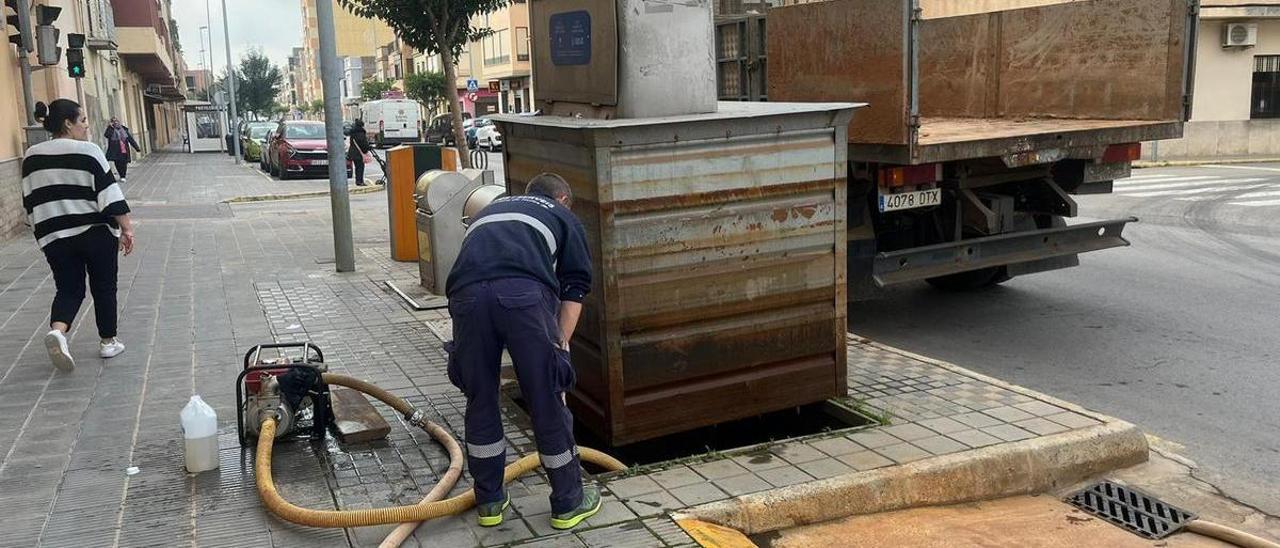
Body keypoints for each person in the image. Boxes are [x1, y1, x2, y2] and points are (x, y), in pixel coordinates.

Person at [444, 173, 599, 530]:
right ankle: (568, 503)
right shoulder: (563, 216)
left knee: (480, 397)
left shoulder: (491, 211)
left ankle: (490, 502)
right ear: (562, 199)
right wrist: (559, 348)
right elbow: (575, 287)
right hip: (522, 297)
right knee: (546, 396)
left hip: (465, 298)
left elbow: (471, 266)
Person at [23, 100, 135, 372]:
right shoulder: (89, 152)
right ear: (67, 123)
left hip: (55, 236)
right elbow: (108, 194)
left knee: (69, 288)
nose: (86, 126)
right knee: (104, 286)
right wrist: (127, 228)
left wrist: (42, 232)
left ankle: (58, 332)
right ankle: (108, 342)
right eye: (82, 120)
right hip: (95, 232)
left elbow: (29, 200)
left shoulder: (31, 157)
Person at [103, 117, 141, 182]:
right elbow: (106, 135)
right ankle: (121, 175)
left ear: (119, 121)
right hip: (116, 150)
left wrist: (137, 148)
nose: (115, 122)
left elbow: (130, 139)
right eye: (113, 121)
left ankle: (123, 175)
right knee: (117, 163)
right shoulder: (111, 130)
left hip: (124, 149)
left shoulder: (124, 129)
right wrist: (110, 127)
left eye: (116, 121)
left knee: (124, 163)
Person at [347, 120, 371, 186]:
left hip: (353, 152)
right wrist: (367, 149)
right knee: (360, 167)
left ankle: (358, 181)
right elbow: (363, 144)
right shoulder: (361, 133)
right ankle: (360, 181)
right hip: (359, 153)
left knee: (357, 167)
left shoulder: (353, 132)